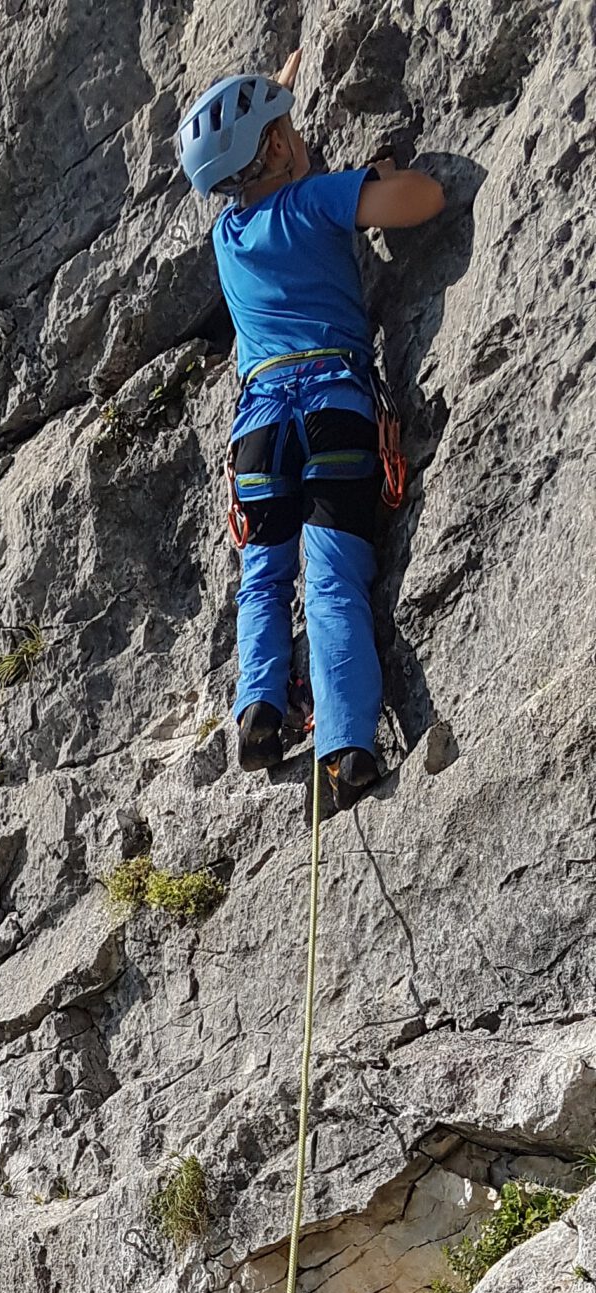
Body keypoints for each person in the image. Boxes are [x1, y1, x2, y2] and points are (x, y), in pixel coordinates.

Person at [179, 54, 444, 807]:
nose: (300, 136)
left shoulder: (227, 239)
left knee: (263, 577)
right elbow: (420, 200)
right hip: (332, 408)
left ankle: (260, 710)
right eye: (287, 129)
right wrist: (377, 177)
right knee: (331, 577)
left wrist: (283, 74)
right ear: (272, 150)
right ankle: (346, 748)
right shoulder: (317, 202)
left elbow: (259, 165)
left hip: (259, 430)